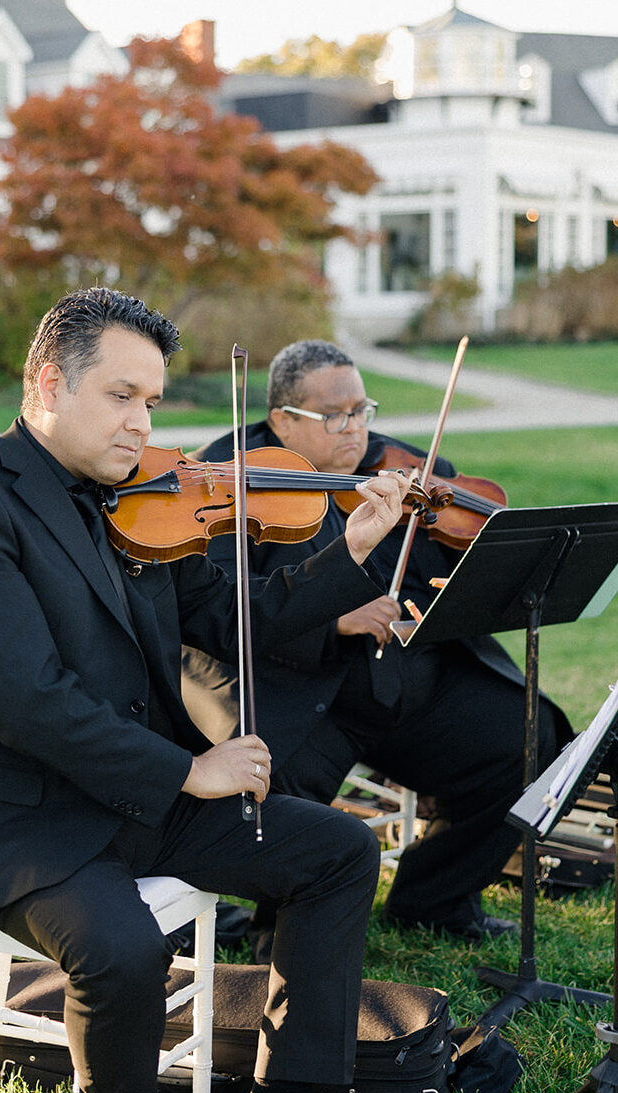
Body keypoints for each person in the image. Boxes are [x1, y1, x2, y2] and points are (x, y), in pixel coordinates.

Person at [0, 292, 414, 1093]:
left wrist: (344, 554)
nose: (144, 423)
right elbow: (25, 700)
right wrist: (189, 769)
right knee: (122, 945)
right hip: (18, 818)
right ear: (47, 384)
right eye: (121, 396)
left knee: (338, 850)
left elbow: (233, 617)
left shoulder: (140, 493)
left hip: (137, 803)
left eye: (153, 400)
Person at [182, 339, 572, 950]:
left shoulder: (400, 466)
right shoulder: (230, 477)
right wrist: (332, 620)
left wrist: (467, 583)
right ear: (283, 418)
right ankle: (277, 932)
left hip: (411, 679)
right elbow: (212, 607)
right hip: (304, 690)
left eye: (363, 410)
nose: (356, 429)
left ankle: (434, 897)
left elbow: (454, 558)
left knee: (526, 735)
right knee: (276, 785)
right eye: (335, 416)